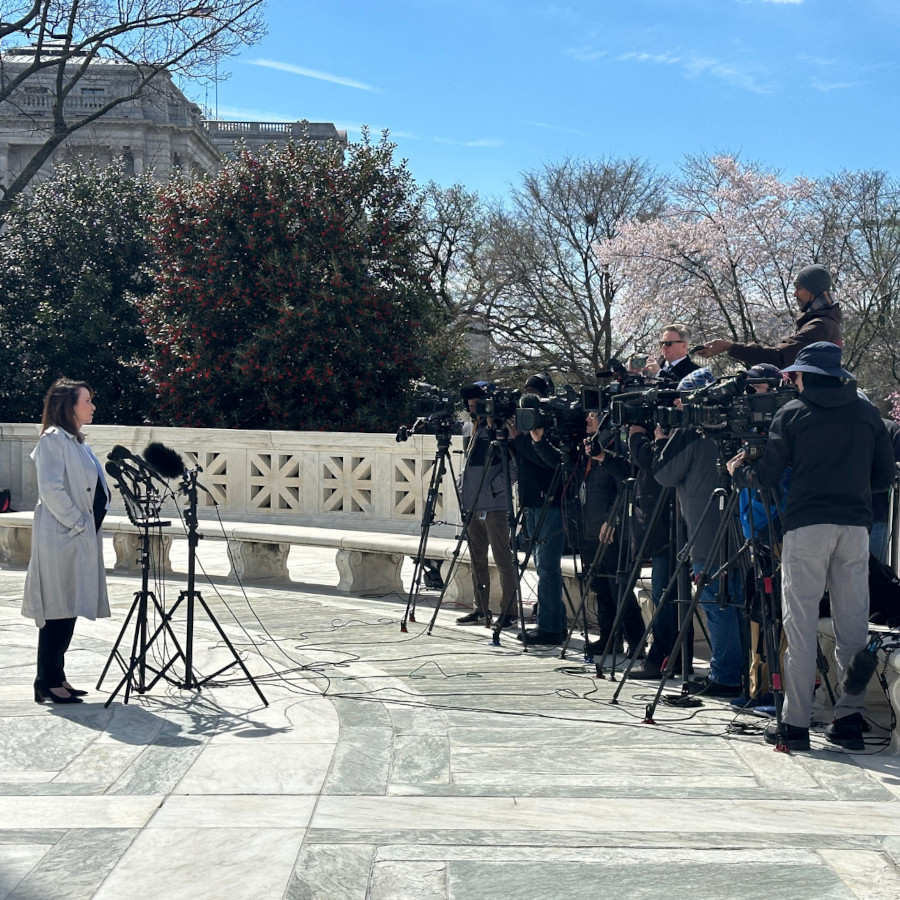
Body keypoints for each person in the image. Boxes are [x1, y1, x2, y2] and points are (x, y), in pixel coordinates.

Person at [728, 342, 895, 751]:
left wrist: (737, 470)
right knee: (852, 626)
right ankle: (849, 720)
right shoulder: (867, 413)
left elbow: (766, 477)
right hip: (854, 527)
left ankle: (796, 724)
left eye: (796, 375)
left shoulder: (793, 413)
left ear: (806, 375)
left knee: (800, 627)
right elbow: (885, 476)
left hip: (807, 527)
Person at [653, 367, 745, 696]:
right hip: (740, 526)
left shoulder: (690, 431)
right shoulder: (737, 423)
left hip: (707, 531)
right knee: (737, 602)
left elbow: (663, 474)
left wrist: (662, 441)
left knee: (715, 603)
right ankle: (742, 673)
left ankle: (726, 677)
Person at [22, 378, 111, 704]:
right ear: (69, 406)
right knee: (58, 609)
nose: (92, 406)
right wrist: (77, 524)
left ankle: (54, 677)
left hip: (78, 539)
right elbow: (52, 489)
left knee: (69, 608)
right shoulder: (52, 440)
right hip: (62, 538)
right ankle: (47, 680)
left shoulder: (77, 442)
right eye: (87, 400)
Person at [577, 411, 645, 656]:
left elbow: (626, 486)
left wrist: (612, 519)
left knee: (619, 588)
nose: (587, 419)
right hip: (589, 527)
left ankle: (636, 641)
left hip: (612, 531)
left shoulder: (618, 447)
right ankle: (609, 638)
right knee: (600, 586)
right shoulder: (587, 447)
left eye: (593, 415)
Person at [508, 373, 568, 645]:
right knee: (542, 566)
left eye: (535, 392)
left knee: (547, 567)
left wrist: (521, 438)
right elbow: (524, 459)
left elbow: (546, 461)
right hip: (532, 501)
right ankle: (549, 620)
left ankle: (551, 627)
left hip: (549, 502)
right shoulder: (526, 423)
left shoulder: (551, 423)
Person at [455, 383, 518, 628]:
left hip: (495, 506)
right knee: (477, 559)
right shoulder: (470, 427)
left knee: (503, 559)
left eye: (477, 404)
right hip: (471, 504)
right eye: (469, 406)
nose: (473, 409)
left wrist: (493, 489)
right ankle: (480, 609)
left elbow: (514, 468)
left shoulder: (502, 427)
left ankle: (509, 612)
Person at [695, 264, 842, 369]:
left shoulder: (819, 326)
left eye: (799, 288)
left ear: (813, 291)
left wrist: (729, 346)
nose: (795, 294)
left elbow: (779, 357)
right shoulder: (825, 323)